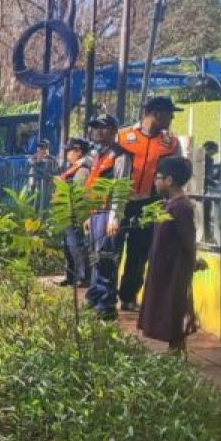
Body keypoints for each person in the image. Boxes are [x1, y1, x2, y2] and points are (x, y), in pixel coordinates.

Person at [114, 96, 183, 312]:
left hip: (149, 203)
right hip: (121, 201)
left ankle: (128, 296)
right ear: (156, 113)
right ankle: (104, 295)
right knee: (111, 250)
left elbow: (177, 173)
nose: (172, 118)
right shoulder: (123, 137)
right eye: (170, 113)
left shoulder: (170, 143)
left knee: (139, 253)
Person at [138, 156, 197, 351]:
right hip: (163, 267)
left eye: (158, 177)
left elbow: (188, 241)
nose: (155, 181)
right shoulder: (167, 205)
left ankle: (178, 351)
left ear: (169, 180)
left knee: (173, 309)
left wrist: (192, 263)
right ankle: (175, 351)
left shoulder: (181, 207)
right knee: (164, 308)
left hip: (175, 269)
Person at [84, 112, 123, 318]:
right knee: (95, 257)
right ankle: (96, 295)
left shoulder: (120, 155)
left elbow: (120, 187)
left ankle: (107, 303)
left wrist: (114, 216)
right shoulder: (98, 155)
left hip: (108, 212)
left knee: (106, 257)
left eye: (103, 127)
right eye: (95, 126)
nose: (98, 130)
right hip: (95, 212)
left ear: (114, 131)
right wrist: (88, 216)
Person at [57, 138, 92, 286]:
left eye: (69, 151)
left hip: (75, 213)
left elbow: (80, 193)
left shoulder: (83, 169)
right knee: (68, 246)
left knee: (76, 245)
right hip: (67, 211)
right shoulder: (73, 167)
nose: (67, 154)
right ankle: (71, 276)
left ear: (78, 152)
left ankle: (82, 276)